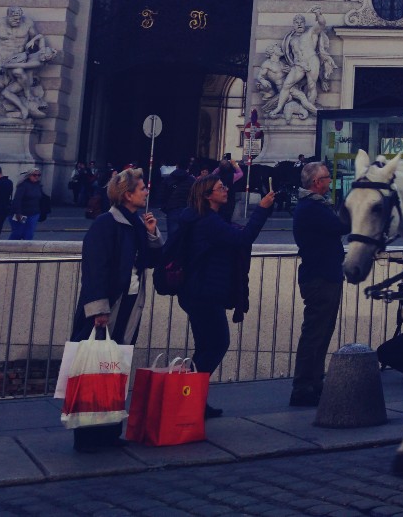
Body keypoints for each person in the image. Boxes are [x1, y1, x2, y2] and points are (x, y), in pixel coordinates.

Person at [70, 168, 163, 451]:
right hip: (109, 306)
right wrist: (98, 309)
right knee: (94, 369)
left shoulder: (135, 223)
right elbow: (94, 268)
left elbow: (152, 259)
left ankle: (110, 430)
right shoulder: (105, 224)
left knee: (115, 365)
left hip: (130, 303)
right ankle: (87, 435)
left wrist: (152, 234)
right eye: (142, 187)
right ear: (127, 194)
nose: (147, 191)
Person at [173, 174, 275, 413]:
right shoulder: (207, 221)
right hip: (204, 293)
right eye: (221, 188)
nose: (226, 189)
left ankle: (193, 400)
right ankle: (187, 399)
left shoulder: (203, 218)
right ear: (208, 195)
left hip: (198, 291)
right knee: (218, 343)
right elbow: (243, 238)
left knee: (205, 346)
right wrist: (261, 210)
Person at [289, 162, 345, 407]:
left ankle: (313, 382)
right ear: (315, 182)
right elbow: (341, 227)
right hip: (320, 276)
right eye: (326, 177)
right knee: (316, 332)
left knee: (321, 331)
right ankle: (304, 386)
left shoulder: (313, 206)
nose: (329, 181)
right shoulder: (312, 207)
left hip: (323, 274)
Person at [9, 168, 46, 239]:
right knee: (18, 233)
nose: (37, 177)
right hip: (22, 214)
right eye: (34, 175)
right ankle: (9, 248)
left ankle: (27, 249)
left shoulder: (38, 185)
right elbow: (17, 200)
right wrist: (18, 213)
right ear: (29, 175)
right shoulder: (23, 185)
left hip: (34, 213)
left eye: (39, 175)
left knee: (29, 234)